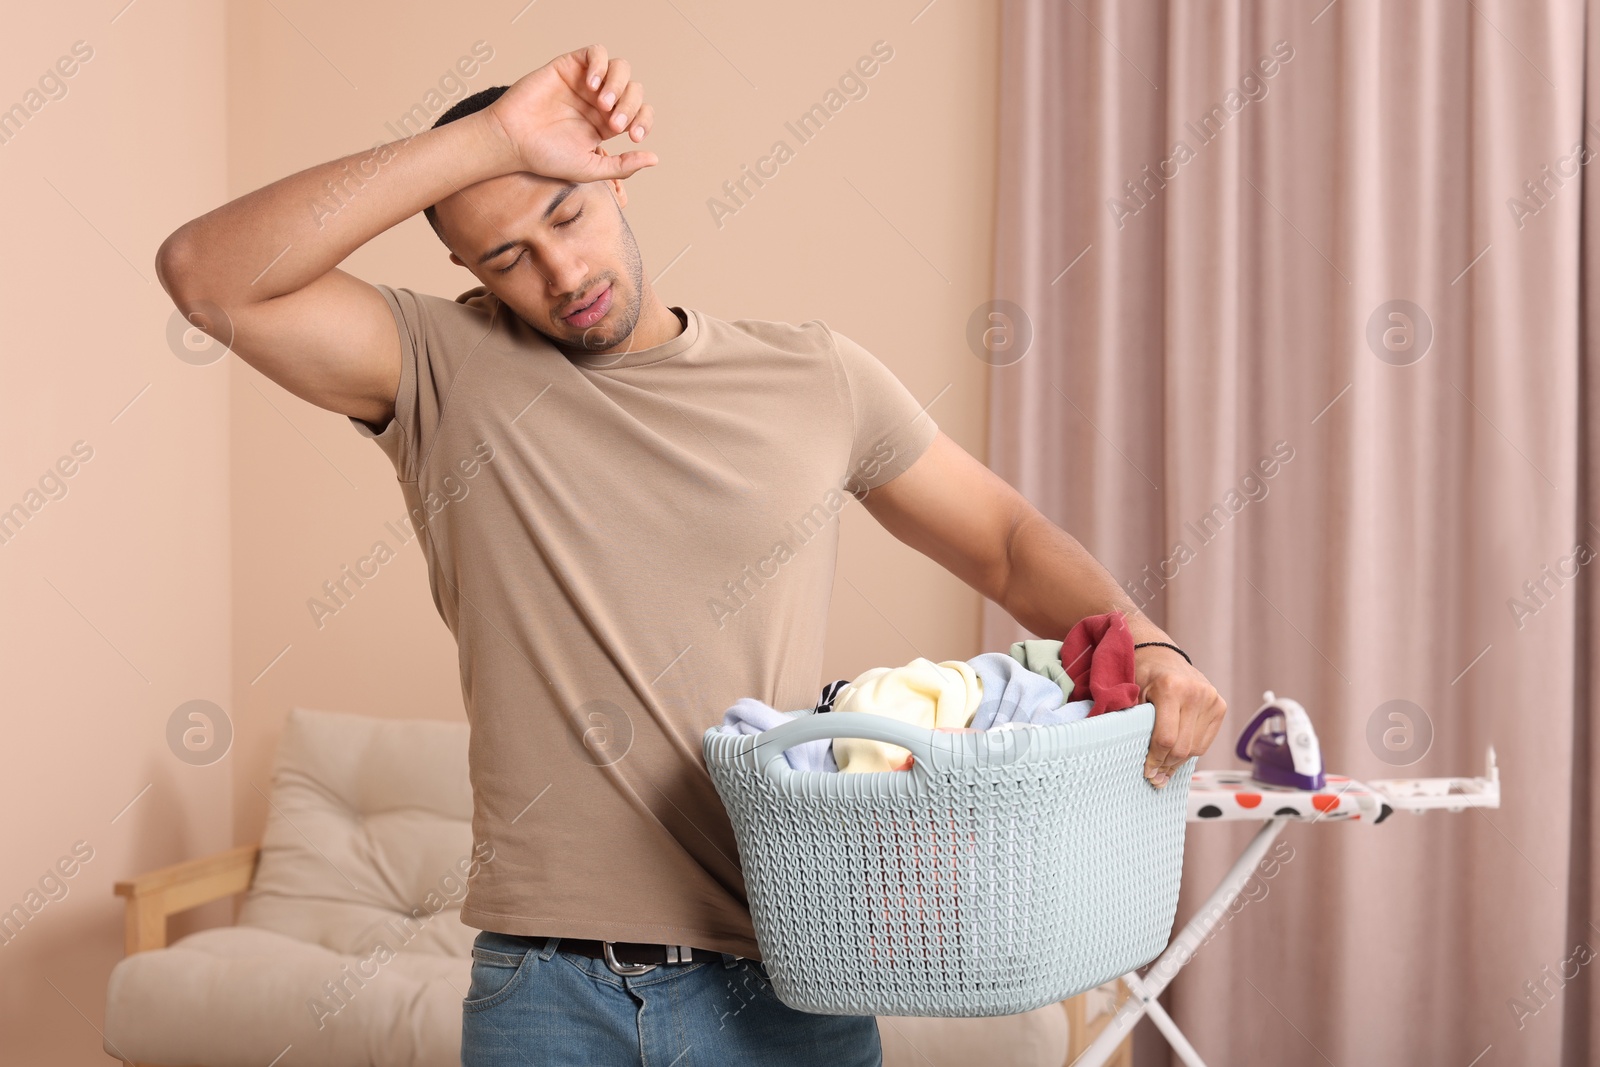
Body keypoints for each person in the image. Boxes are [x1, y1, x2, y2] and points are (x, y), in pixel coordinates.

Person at [154, 43, 1227, 1067]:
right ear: (466, 270)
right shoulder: (443, 370)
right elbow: (208, 276)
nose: (561, 269)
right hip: (544, 995)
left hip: (790, 982)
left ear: (618, 179)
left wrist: (1152, 641)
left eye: (566, 212)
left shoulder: (815, 377)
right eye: (506, 254)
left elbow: (1005, 540)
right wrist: (493, 137)